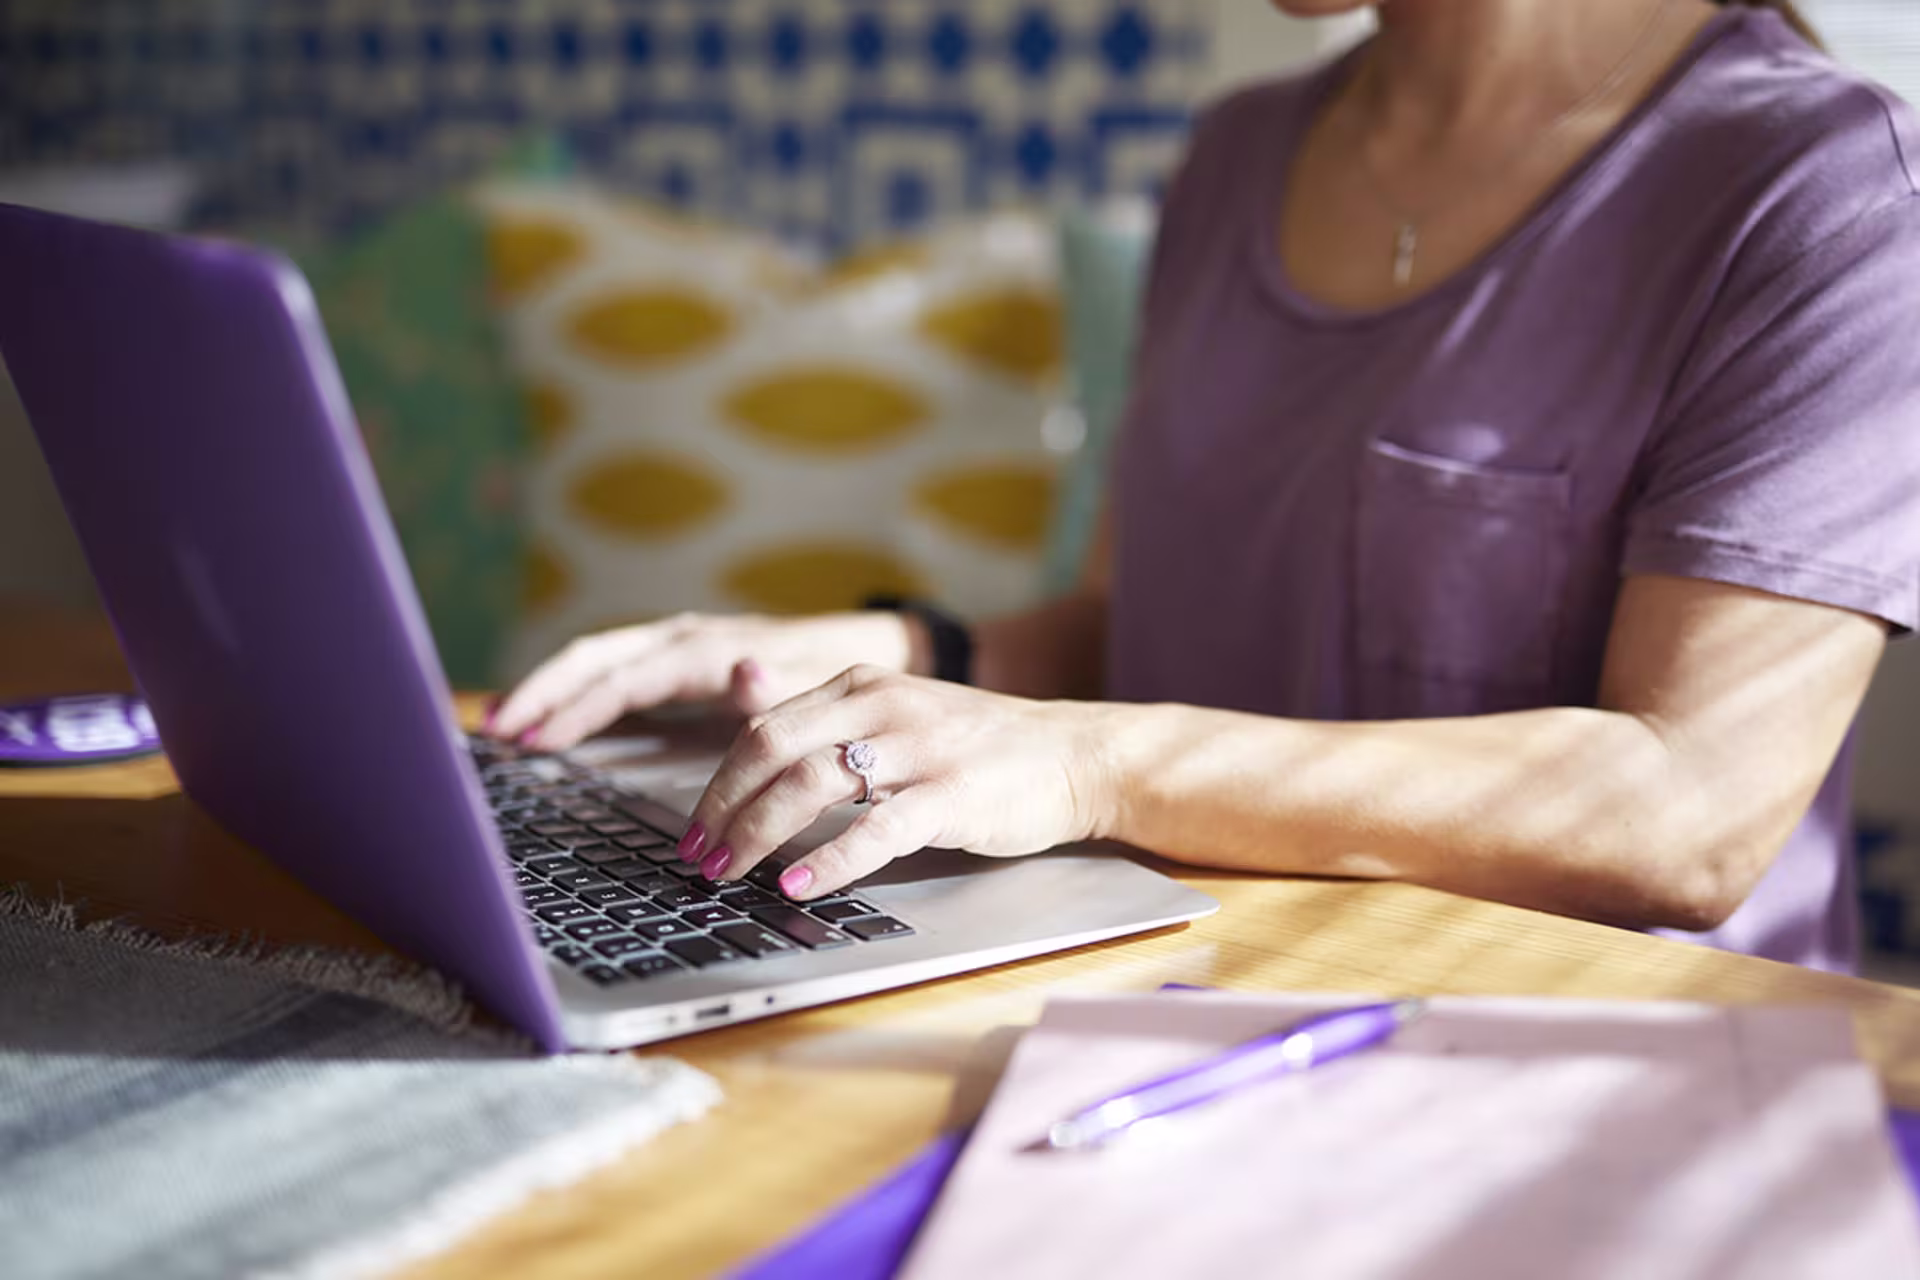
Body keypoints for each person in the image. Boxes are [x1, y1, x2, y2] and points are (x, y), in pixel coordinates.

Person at [488, 0, 1920, 974]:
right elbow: (1135, 627)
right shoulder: (1239, 156)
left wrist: (1091, 765)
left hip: (1591, 1070)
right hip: (1201, 989)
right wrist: (877, 657)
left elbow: (1688, 806)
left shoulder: (1826, 189)